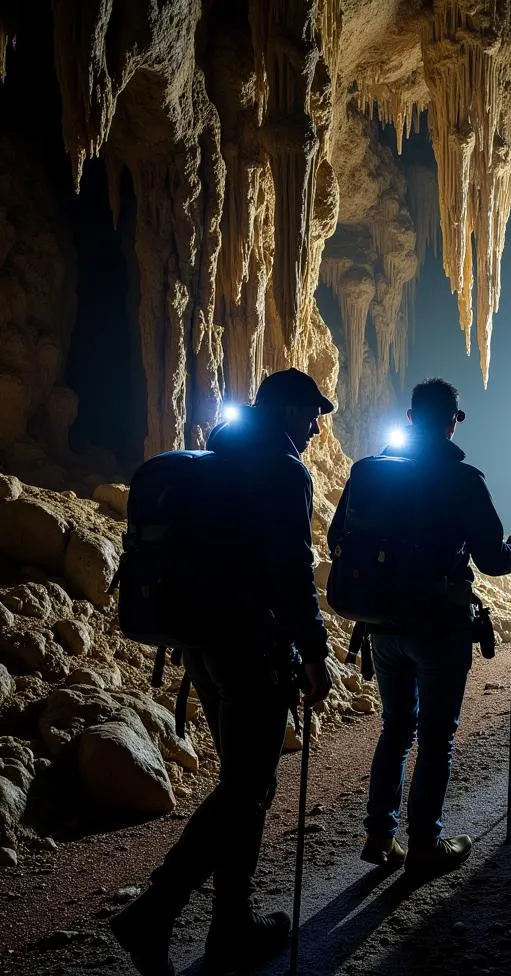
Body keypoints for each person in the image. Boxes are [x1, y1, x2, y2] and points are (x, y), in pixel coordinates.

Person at [110, 368, 335, 976]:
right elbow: (291, 573)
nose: (317, 428)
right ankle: (155, 912)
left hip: (199, 645)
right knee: (247, 787)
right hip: (248, 648)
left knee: (245, 783)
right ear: (291, 412)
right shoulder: (282, 472)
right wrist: (314, 654)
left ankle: (231, 924)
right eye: (314, 414)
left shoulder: (213, 461)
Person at [330, 378, 511, 878]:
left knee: (396, 728)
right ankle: (424, 844)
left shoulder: (370, 471)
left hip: (382, 627)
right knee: (437, 735)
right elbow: (491, 560)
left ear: (411, 417)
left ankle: (379, 834)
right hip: (439, 627)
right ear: (453, 421)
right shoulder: (463, 479)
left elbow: (337, 539)